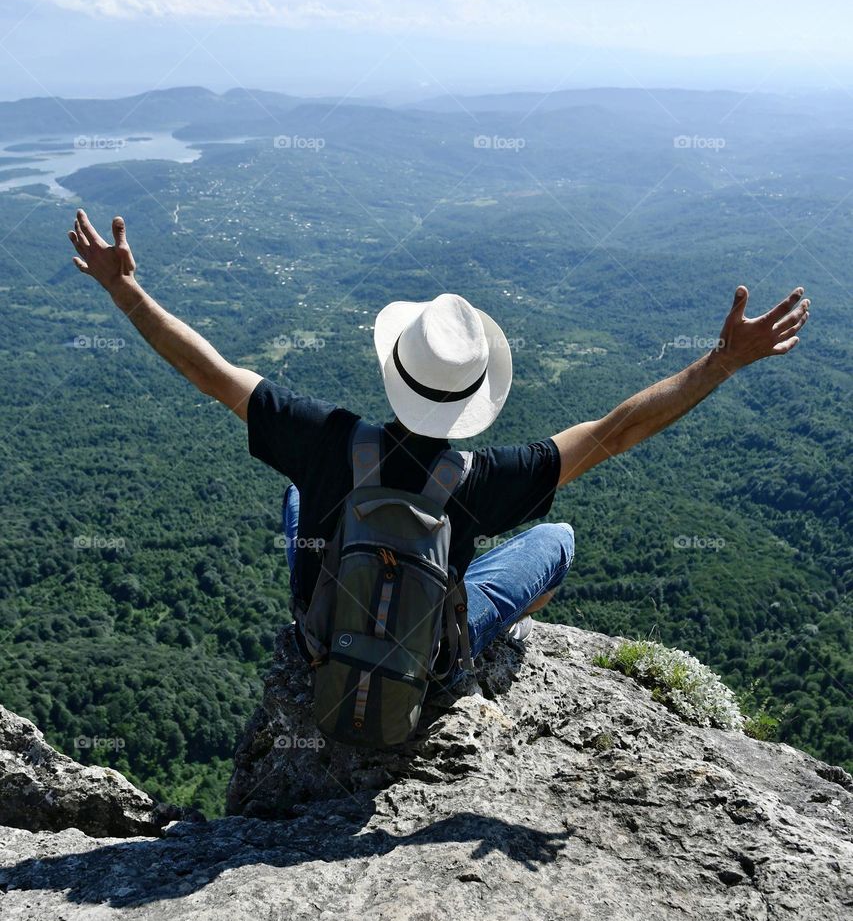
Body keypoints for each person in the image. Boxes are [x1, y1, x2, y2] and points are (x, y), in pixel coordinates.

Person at [68, 209, 810, 676]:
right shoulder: (486, 478)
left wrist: (124, 289)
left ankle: (327, 617)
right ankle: (465, 649)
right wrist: (721, 363)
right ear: (473, 399)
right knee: (555, 537)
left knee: (300, 493)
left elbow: (211, 374)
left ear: (391, 367)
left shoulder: (325, 439)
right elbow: (617, 431)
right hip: (423, 672)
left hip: (322, 643)